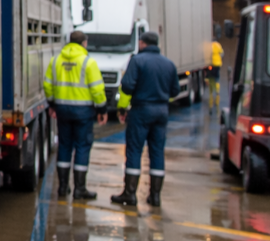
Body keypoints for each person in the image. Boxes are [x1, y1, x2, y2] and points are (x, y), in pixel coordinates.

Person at [111, 31, 179, 207]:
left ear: (142, 43)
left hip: (141, 110)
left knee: (134, 151)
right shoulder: (169, 64)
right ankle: (155, 196)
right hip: (162, 111)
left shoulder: (137, 61)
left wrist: (122, 108)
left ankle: (130, 194)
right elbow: (175, 91)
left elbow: (126, 86)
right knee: (157, 152)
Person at [44, 30, 107, 199]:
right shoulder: (88, 63)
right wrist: (102, 110)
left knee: (64, 146)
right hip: (83, 113)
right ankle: (80, 189)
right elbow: (97, 89)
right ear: (84, 43)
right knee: (82, 147)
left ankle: (63, 187)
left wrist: (52, 104)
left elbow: (48, 85)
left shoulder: (56, 61)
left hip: (62, 111)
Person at [208, 38, 223, 107]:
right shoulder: (218, 45)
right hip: (218, 64)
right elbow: (222, 54)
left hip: (212, 64)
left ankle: (211, 90)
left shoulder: (210, 46)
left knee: (211, 77)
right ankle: (217, 91)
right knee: (217, 78)